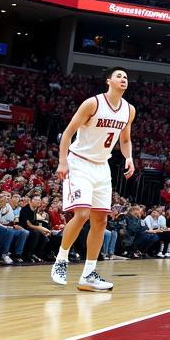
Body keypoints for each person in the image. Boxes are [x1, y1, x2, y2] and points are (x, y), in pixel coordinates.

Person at [51, 67, 135, 292]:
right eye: (119, 76)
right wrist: (62, 161)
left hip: (102, 167)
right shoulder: (93, 103)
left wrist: (129, 158)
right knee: (82, 214)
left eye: (126, 77)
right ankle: (61, 260)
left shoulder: (129, 110)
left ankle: (88, 274)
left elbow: (125, 140)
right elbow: (68, 133)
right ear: (108, 81)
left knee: (101, 222)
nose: (123, 79)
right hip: (79, 162)